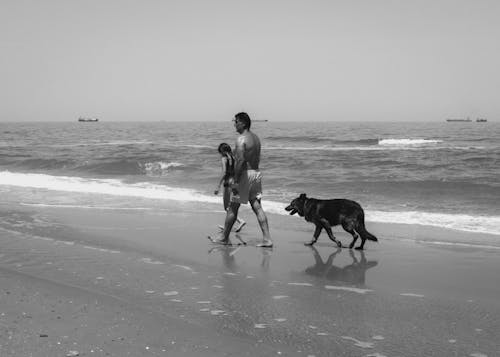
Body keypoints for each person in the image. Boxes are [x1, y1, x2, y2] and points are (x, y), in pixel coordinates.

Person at [209, 112, 273, 247]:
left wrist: (236, 181)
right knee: (257, 206)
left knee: (232, 207)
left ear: (243, 123)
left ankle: (224, 238)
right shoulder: (256, 138)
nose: (234, 124)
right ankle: (267, 239)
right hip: (255, 173)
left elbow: (240, 161)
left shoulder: (241, 139)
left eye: (236, 121)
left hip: (245, 175)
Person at [214, 143, 246, 232]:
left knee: (227, 207)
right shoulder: (234, 157)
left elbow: (224, 172)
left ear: (223, 151)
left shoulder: (224, 159)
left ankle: (239, 221)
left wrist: (218, 186)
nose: (220, 154)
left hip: (228, 183)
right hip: (236, 182)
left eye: (220, 152)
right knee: (232, 206)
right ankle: (231, 224)